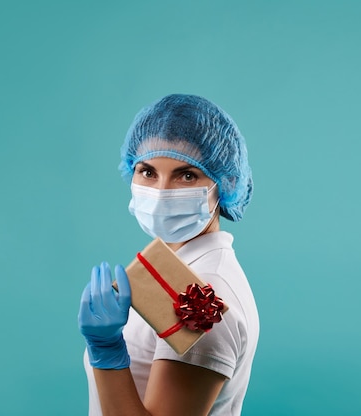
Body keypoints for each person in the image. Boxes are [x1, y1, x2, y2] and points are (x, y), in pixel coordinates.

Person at [78, 94, 260, 416]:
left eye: (186, 175)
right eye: (147, 172)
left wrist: (107, 352)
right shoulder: (175, 269)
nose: (161, 192)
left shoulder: (203, 292)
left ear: (225, 183)